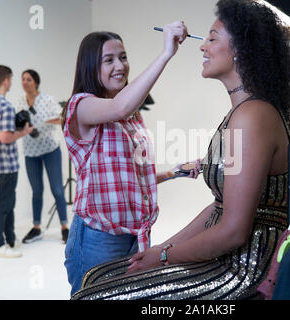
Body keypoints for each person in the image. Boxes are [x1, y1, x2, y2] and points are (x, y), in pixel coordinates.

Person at [71, 0, 290, 300]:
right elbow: (218, 210)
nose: (203, 46)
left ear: (240, 50)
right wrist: (162, 250)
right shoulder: (243, 113)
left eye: (212, 38)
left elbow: (232, 230)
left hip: (243, 268)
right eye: (108, 60)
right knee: (97, 278)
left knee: (96, 294)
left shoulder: (251, 115)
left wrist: (164, 255)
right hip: (99, 233)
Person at [62, 21, 201, 296]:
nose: (120, 66)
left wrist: (174, 173)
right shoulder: (81, 106)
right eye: (109, 60)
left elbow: (130, 174)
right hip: (98, 238)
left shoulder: (133, 116)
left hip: (134, 236)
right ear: (91, 66)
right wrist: (166, 54)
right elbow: (120, 105)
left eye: (123, 57)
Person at [0, 65, 34, 258]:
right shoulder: (4, 105)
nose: (11, 82)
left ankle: (10, 239)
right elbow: (4, 137)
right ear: (5, 81)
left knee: (8, 200)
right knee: (4, 203)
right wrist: (23, 132)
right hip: (5, 163)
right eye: (11, 79)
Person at [18, 69, 69, 244]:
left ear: (36, 82)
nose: (25, 82)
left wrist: (45, 121)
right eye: (23, 79)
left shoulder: (47, 99)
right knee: (36, 191)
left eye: (28, 79)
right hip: (30, 151)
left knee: (57, 190)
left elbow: (62, 117)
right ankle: (36, 228)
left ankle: (64, 227)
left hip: (50, 149)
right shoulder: (20, 102)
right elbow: (18, 123)